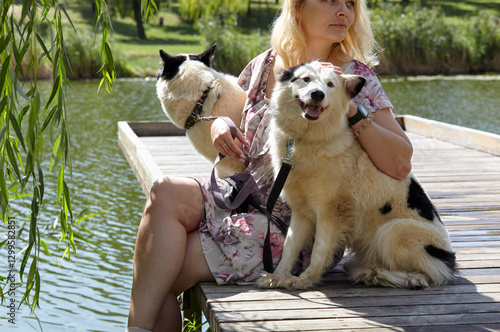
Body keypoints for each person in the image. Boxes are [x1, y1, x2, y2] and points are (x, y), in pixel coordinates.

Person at [127, 0, 413, 331]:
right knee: (163, 193)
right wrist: (219, 123)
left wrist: (352, 111)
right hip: (244, 198)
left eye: (350, 3)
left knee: (160, 272)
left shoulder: (354, 79)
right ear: (298, 8)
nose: (344, 11)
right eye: (332, 0)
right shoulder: (263, 65)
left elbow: (400, 162)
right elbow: (237, 136)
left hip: (299, 228)